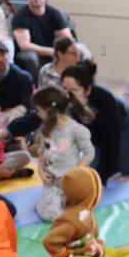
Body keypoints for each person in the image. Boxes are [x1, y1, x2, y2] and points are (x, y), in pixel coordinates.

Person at [42, 167, 129, 257]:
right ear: (87, 194)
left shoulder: (88, 212)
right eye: (97, 189)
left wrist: (97, 246)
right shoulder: (70, 220)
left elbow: (93, 235)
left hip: (91, 255)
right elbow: (49, 241)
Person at [32, 87, 95, 222]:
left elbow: (89, 153)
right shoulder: (46, 128)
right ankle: (41, 204)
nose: (37, 114)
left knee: (78, 216)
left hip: (71, 182)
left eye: (39, 110)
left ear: (48, 111)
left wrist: (76, 172)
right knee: (52, 217)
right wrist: (41, 171)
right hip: (52, 182)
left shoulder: (75, 129)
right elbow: (42, 151)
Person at [11, 0, 74, 82]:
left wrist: (67, 51)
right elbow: (24, 45)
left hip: (52, 50)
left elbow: (68, 38)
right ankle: (39, 87)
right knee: (30, 57)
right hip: (29, 52)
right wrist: (50, 51)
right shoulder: (20, 16)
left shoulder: (55, 13)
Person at [0, 40, 32, 115]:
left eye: (2, 54)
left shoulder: (23, 77)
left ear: (8, 56)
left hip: (14, 117)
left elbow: (26, 106)